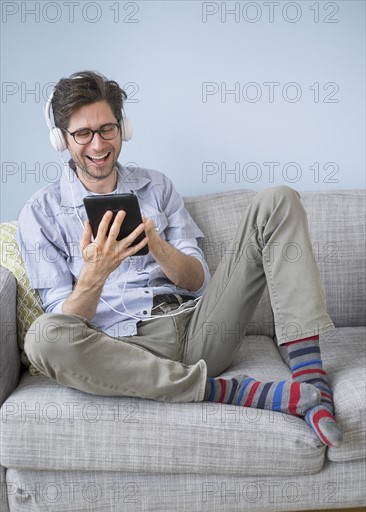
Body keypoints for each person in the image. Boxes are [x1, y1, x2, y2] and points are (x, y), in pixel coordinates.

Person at [17, 71, 342, 447]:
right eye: (82, 133)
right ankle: (227, 391)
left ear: (124, 128)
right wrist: (95, 273)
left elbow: (199, 281)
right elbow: (65, 321)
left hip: (198, 329)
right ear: (60, 139)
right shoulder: (40, 213)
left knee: (278, 199)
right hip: (122, 351)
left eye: (107, 129)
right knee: (42, 338)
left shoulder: (157, 186)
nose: (98, 144)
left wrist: (157, 243)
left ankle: (310, 377)